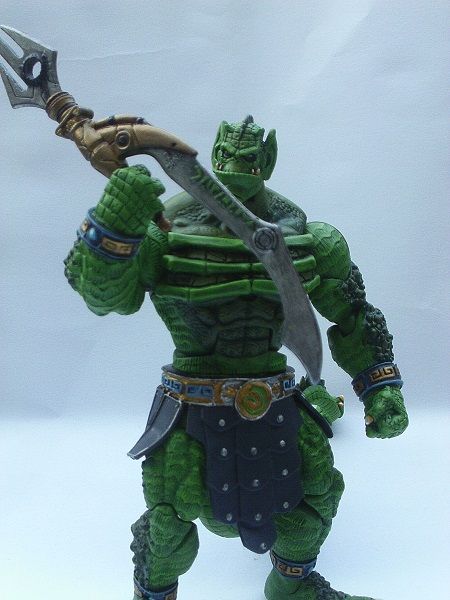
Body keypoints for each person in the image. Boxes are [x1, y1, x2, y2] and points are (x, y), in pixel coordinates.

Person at [65, 116, 408, 600]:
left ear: (268, 160)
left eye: (250, 158)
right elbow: (103, 295)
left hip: (277, 400)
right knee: (168, 525)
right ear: (215, 156)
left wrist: (381, 386)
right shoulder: (164, 232)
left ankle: (291, 589)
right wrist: (115, 218)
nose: (239, 165)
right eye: (229, 155)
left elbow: (353, 313)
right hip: (192, 406)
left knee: (317, 497)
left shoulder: (307, 236)